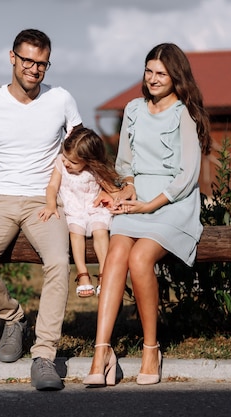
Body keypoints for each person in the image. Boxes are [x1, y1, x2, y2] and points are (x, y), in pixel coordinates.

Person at [0, 28, 82, 391]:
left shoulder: (62, 100)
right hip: (0, 199)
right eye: (28, 61)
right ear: (12, 58)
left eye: (42, 63)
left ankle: (44, 356)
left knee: (58, 264)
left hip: (46, 200)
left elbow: (84, 150)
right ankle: (14, 318)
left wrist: (111, 189)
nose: (34, 69)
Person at [83, 43, 211, 387]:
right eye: (148, 71)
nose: (153, 79)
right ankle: (102, 350)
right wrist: (125, 189)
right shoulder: (133, 110)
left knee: (140, 259)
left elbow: (188, 175)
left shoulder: (186, 113)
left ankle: (151, 348)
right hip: (138, 201)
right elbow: (125, 165)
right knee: (114, 257)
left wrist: (151, 204)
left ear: (176, 77)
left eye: (161, 73)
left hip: (172, 203)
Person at [38, 126, 118, 298]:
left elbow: (112, 189)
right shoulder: (61, 162)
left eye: (73, 162)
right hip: (73, 210)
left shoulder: (94, 170)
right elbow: (52, 186)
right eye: (66, 157)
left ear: (88, 161)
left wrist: (111, 197)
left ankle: (104, 274)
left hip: (94, 208)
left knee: (100, 232)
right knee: (76, 233)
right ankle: (82, 274)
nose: (67, 163)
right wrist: (51, 204)